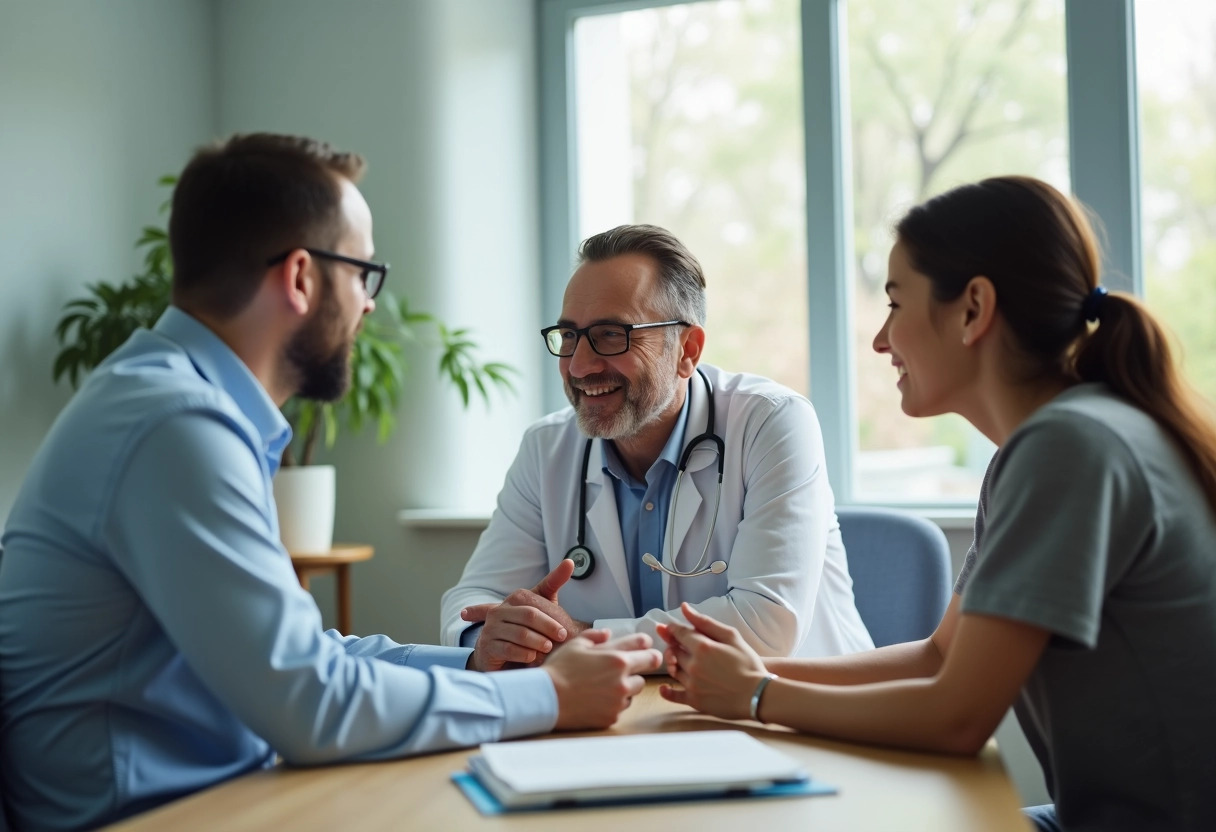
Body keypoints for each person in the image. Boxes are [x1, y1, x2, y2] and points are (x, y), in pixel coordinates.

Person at [0, 133, 662, 832]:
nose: (370, 305)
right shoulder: (175, 423)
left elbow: (307, 657)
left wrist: (485, 667)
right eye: (362, 274)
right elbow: (310, 702)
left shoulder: (177, 404)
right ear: (299, 278)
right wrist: (548, 697)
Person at [655, 176, 1216, 832]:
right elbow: (939, 656)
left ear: (973, 309)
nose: (880, 340)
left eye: (896, 304)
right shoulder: (1052, 442)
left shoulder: (1068, 447)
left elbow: (956, 717)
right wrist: (762, 671)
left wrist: (756, 696)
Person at [440, 224, 873, 670]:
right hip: (629, 717)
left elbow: (765, 625)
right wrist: (492, 636)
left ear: (687, 349)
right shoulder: (547, 448)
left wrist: (585, 640)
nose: (581, 365)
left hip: (799, 716)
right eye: (569, 337)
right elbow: (472, 600)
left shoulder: (772, 421)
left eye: (611, 335)